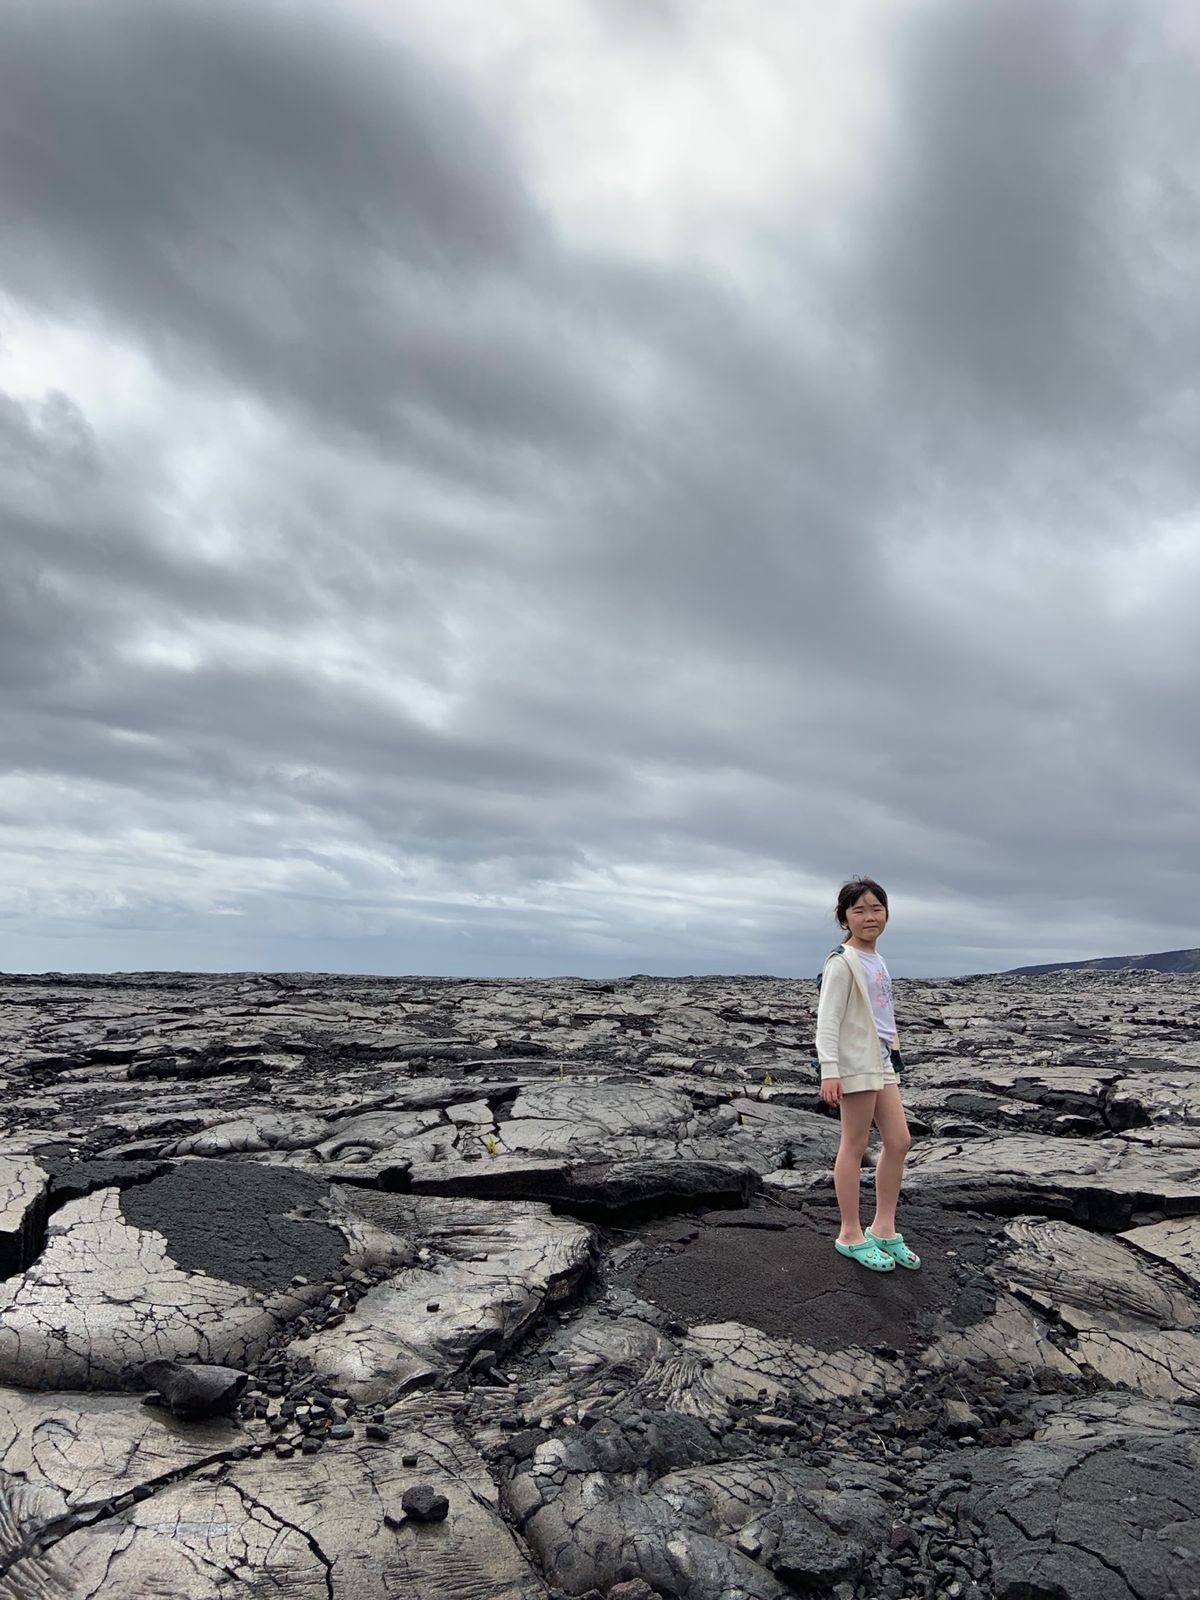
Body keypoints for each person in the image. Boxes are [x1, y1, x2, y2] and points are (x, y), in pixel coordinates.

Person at [815, 877, 920, 1273]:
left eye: (876, 909)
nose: (869, 917)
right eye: (858, 910)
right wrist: (830, 1070)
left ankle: (884, 1227)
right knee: (855, 1144)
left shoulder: (878, 960)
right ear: (844, 917)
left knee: (899, 1140)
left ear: (887, 914)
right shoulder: (842, 962)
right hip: (855, 1064)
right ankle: (849, 1233)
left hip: (881, 1062)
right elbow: (828, 1020)